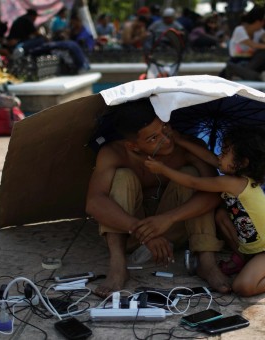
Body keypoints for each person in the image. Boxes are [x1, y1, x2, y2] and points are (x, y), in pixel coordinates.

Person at [85, 98, 231, 297]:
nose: (166, 139)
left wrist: (168, 219)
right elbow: (94, 203)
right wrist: (142, 229)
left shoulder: (186, 146)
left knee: (191, 175)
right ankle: (118, 264)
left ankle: (206, 262)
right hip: (132, 233)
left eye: (164, 128)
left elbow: (215, 194)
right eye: (153, 138)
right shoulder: (114, 153)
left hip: (176, 229)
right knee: (122, 177)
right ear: (133, 146)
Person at [144, 126, 265, 297]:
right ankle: (244, 259)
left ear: (242, 162)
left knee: (242, 287)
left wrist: (163, 170)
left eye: (225, 152)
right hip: (249, 247)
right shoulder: (236, 176)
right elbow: (208, 157)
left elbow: (194, 182)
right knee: (220, 216)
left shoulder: (232, 183)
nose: (219, 157)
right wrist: (180, 140)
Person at [220, 6, 265, 81]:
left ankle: (245, 74)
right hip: (238, 62)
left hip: (252, 63)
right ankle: (257, 76)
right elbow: (254, 45)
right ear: (258, 22)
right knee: (230, 66)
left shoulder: (260, 32)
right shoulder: (239, 30)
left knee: (264, 53)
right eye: (263, 22)